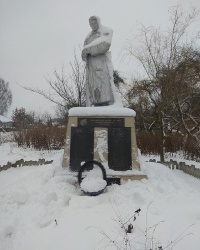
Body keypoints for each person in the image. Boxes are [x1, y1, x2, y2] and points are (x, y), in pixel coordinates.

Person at [82, 16, 115, 106]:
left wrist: (88, 50)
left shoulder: (106, 31)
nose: (93, 25)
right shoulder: (88, 36)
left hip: (101, 63)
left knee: (104, 83)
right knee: (92, 85)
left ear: (99, 22)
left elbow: (104, 46)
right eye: (91, 24)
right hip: (91, 66)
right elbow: (83, 51)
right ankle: (96, 102)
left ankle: (105, 102)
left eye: (94, 23)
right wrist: (84, 53)